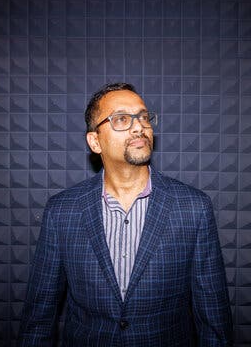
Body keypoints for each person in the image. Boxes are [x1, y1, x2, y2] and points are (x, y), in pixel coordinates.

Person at [17, 83, 233, 346]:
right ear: (95, 141)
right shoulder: (62, 211)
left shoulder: (193, 208)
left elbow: (214, 320)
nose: (139, 126)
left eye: (143, 117)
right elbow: (39, 317)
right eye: (121, 119)